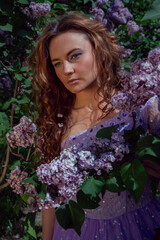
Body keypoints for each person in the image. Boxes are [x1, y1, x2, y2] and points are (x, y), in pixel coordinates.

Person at [28, 13, 160, 240]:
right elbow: (51, 197)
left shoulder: (141, 107)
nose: (66, 70)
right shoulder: (56, 124)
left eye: (75, 56)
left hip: (143, 224)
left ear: (99, 50)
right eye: (57, 63)